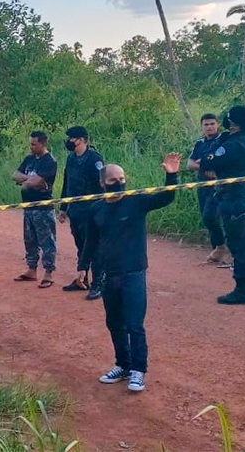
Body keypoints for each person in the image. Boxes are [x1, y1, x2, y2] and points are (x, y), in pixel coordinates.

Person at [83, 153, 182, 393]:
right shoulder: (96, 208)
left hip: (134, 272)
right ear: (102, 183)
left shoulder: (136, 201)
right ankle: (123, 365)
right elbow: (90, 242)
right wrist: (81, 267)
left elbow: (166, 197)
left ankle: (138, 371)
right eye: (113, 179)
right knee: (114, 322)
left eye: (122, 178)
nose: (119, 183)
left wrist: (171, 175)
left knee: (134, 324)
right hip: (108, 274)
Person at [199, 105, 245, 305]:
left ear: (233, 123)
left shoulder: (233, 145)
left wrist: (220, 143)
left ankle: (242, 289)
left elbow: (205, 161)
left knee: (238, 245)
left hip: (234, 200)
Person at [58, 126, 106, 300]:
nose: (68, 141)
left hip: (92, 211)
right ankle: (82, 279)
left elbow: (103, 184)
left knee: (95, 248)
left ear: (80, 139)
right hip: (76, 210)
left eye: (71, 138)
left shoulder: (94, 159)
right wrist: (63, 208)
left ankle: (98, 284)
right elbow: (67, 184)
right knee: (81, 246)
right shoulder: (71, 159)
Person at [12, 131, 59, 288]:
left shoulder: (50, 161)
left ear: (43, 144)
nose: (31, 147)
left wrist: (26, 180)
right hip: (28, 206)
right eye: (30, 143)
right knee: (30, 240)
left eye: (34, 144)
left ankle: (49, 273)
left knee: (47, 241)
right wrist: (28, 180)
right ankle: (31, 270)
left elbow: (37, 182)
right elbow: (15, 175)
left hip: (43, 208)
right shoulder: (29, 159)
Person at [187, 113, 228, 264]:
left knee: (210, 216)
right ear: (202, 126)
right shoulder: (200, 143)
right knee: (207, 217)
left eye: (212, 124)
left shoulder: (224, 140)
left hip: (217, 185)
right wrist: (204, 167)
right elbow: (190, 164)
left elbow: (222, 161)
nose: (209, 127)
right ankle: (216, 250)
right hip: (202, 184)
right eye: (206, 124)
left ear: (218, 124)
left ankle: (222, 247)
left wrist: (209, 166)